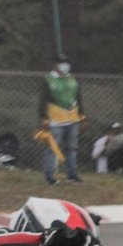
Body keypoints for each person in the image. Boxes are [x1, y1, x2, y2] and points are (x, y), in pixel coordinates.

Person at [39, 53, 85, 185]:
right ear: (55, 64)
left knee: (72, 147)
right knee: (53, 148)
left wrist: (82, 116)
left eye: (66, 62)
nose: (65, 65)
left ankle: (72, 174)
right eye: (61, 62)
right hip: (55, 119)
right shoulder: (48, 79)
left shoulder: (72, 79)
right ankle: (49, 175)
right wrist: (44, 117)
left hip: (72, 118)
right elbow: (43, 100)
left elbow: (78, 98)